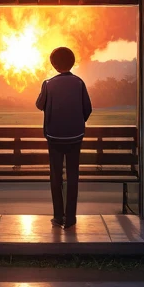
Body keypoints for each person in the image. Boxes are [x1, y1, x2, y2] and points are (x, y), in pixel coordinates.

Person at [35, 46, 92, 229]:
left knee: (56, 176)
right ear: (72, 62)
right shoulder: (79, 83)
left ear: (54, 64)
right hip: (75, 137)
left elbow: (39, 104)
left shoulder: (48, 84)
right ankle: (71, 218)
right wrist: (76, 121)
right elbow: (87, 109)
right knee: (73, 176)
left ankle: (58, 216)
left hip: (54, 137)